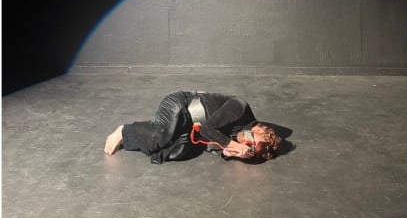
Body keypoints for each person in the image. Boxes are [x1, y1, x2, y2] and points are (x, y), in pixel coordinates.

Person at [104, 90, 282, 163]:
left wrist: (227, 152)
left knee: (175, 152)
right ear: (258, 129)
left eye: (250, 148)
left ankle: (140, 136)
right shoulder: (240, 108)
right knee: (160, 136)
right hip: (181, 106)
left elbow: (210, 141)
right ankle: (124, 131)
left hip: (189, 126)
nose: (247, 144)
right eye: (252, 140)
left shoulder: (239, 136)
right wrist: (233, 145)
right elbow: (207, 130)